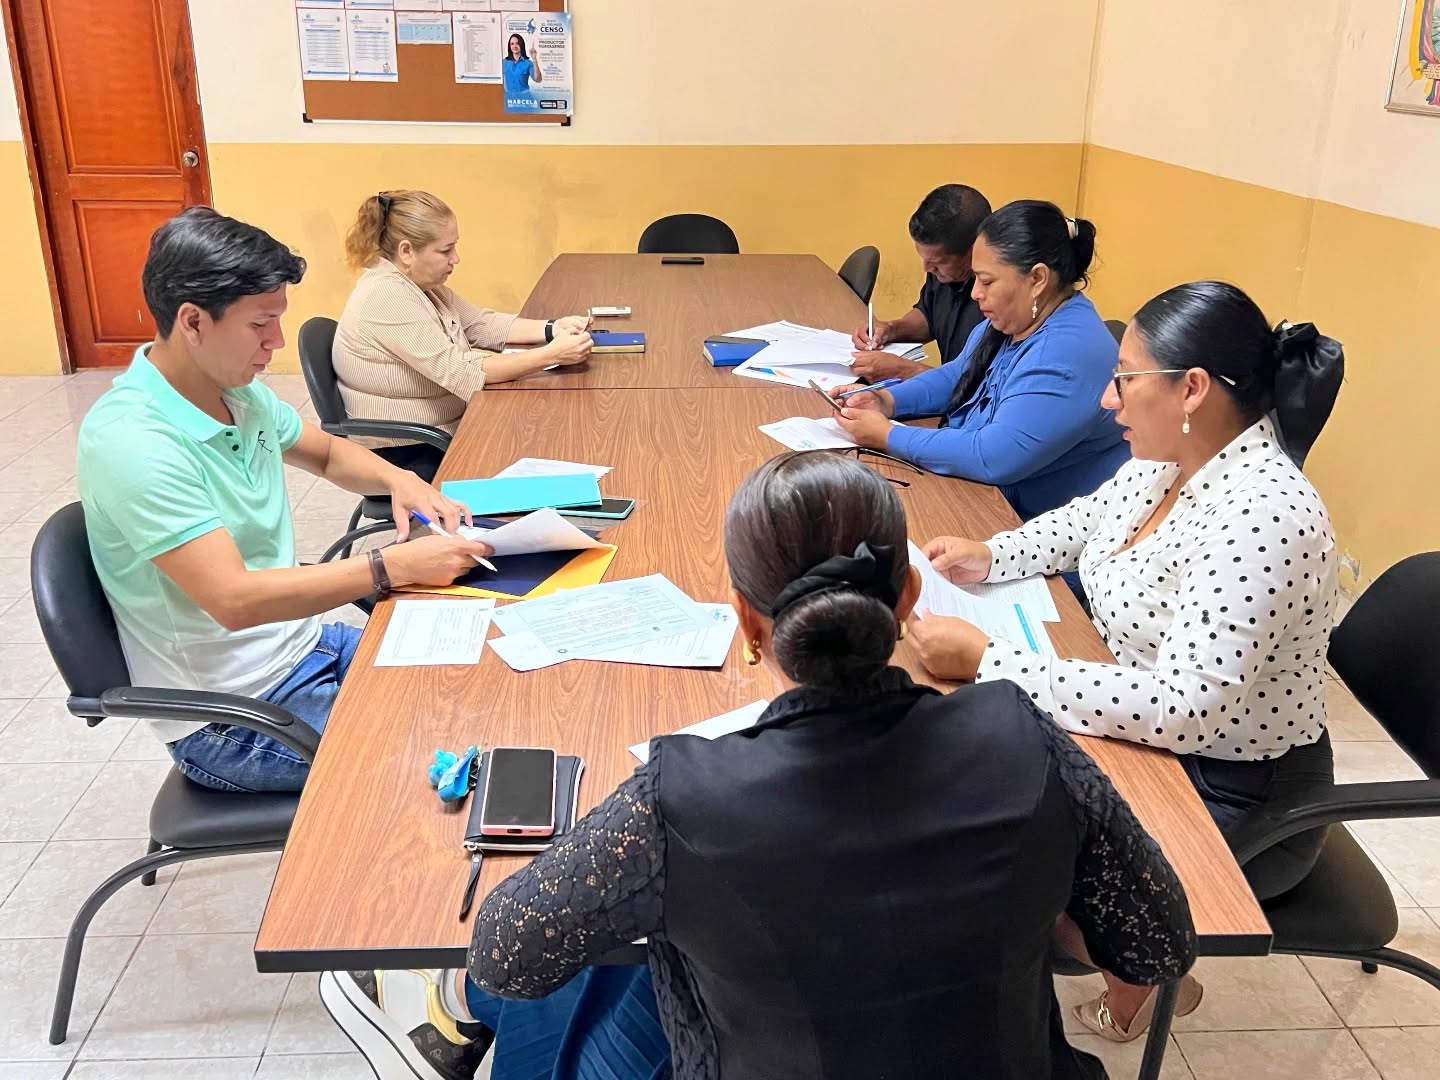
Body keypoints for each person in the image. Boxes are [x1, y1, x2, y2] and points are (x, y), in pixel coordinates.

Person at [453, 451, 1195, 1078]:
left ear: (746, 619)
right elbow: (1159, 947)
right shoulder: (1023, 739)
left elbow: (504, 957)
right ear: (908, 596)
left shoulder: (676, 799)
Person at [910, 281, 1345, 1042]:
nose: (1108, 399)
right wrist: (991, 554)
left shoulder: (1267, 517)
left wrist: (991, 660)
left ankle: (1142, 975)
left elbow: (1184, 709)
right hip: (1151, 728)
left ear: (1192, 389)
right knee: (972, 789)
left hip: (1235, 786)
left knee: (1020, 877)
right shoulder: (1171, 456)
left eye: (1124, 378)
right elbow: (1088, 520)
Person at [76, 208, 492, 796]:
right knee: (449, 758)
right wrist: (387, 567)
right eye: (260, 325)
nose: (275, 342)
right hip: (232, 715)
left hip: (302, 645)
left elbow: (328, 453)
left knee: (485, 679)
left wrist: (404, 481)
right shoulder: (134, 442)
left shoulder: (236, 393)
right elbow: (235, 600)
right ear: (193, 322)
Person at [834, 199, 1129, 523]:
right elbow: (958, 375)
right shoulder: (1016, 319)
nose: (975, 293)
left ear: (1037, 279)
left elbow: (993, 456)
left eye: (987, 282)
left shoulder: (1066, 356)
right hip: (983, 497)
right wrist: (885, 400)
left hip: (1031, 526)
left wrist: (887, 435)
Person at [332, 190, 592, 482]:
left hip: (442, 431)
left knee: (545, 434)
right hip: (406, 451)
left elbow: (480, 324)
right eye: (445, 250)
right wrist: (552, 354)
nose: (455, 259)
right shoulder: (386, 297)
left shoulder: (419, 285)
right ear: (406, 251)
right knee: (541, 442)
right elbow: (462, 372)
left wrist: (553, 328)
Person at [848, 183, 991, 382]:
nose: (927, 268)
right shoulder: (946, 273)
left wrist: (904, 370)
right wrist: (891, 329)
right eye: (924, 259)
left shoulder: (1000, 298)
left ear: (975, 249)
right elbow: (930, 315)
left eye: (938, 263)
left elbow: (980, 387)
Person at [502, 33, 540, 98]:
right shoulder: (504, 62)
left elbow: (538, 79)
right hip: (509, 98)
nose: (514, 46)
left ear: (521, 45)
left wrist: (534, 59)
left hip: (525, 98)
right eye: (512, 44)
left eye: (517, 43)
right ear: (509, 46)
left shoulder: (528, 63)